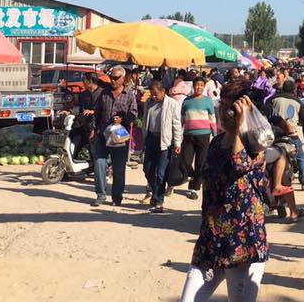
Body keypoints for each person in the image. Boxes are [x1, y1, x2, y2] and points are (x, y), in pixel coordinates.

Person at [174, 86, 268, 302]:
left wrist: (242, 127)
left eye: (231, 106)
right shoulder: (215, 143)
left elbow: (241, 166)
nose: (224, 110)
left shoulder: (258, 145)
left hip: (243, 245)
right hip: (211, 242)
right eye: (223, 104)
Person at [91, 65, 138, 208]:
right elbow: (97, 112)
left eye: (116, 78)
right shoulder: (104, 93)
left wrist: (123, 119)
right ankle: (100, 194)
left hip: (119, 137)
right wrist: (93, 129)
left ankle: (117, 197)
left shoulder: (129, 94)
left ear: (123, 79)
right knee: (99, 163)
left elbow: (134, 113)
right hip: (103, 134)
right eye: (111, 77)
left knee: (118, 169)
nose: (113, 80)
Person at [142, 79, 182, 212]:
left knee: (161, 173)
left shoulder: (172, 104)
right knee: (147, 169)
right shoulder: (148, 103)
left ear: (163, 91)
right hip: (151, 139)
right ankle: (155, 192)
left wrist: (177, 143)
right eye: (151, 93)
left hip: (165, 141)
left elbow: (177, 124)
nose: (153, 96)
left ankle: (159, 201)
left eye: (156, 94)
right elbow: (145, 120)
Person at [179, 75, 217, 201]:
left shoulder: (208, 101)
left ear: (204, 87)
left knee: (200, 163)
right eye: (197, 85)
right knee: (186, 161)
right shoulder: (186, 101)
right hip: (188, 136)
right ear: (193, 86)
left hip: (204, 136)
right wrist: (178, 134)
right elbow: (181, 119)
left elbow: (212, 119)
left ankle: (194, 188)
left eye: (201, 85)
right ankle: (193, 175)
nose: (199, 87)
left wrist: (215, 135)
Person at [268, 78, 304, 190]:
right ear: (293, 90)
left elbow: (266, 113)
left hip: (275, 134)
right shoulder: (298, 102)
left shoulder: (273, 99)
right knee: (300, 157)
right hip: (292, 133)